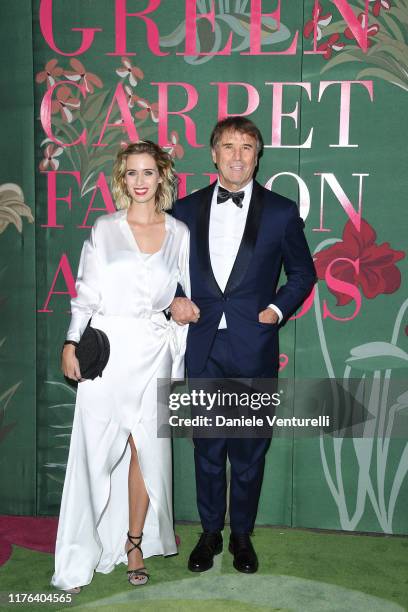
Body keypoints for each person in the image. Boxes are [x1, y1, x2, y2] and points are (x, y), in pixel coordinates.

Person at [171, 117, 316, 574]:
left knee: (250, 450)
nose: (237, 155)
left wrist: (275, 311)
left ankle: (242, 536)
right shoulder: (183, 210)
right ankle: (210, 532)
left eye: (247, 147)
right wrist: (173, 301)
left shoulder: (280, 211)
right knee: (207, 448)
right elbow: (163, 276)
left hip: (254, 347)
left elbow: (303, 273)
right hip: (203, 346)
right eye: (228, 146)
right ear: (213, 154)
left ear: (258, 155)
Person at [52, 141, 190, 592]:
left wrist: (180, 306)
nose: (141, 181)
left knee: (146, 450)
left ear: (162, 177)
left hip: (154, 350)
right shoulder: (105, 228)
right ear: (122, 179)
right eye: (132, 173)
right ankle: (79, 552)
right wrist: (72, 340)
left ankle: (134, 543)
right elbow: (87, 292)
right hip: (108, 351)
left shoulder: (179, 233)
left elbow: (178, 294)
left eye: (149, 172)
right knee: (92, 453)